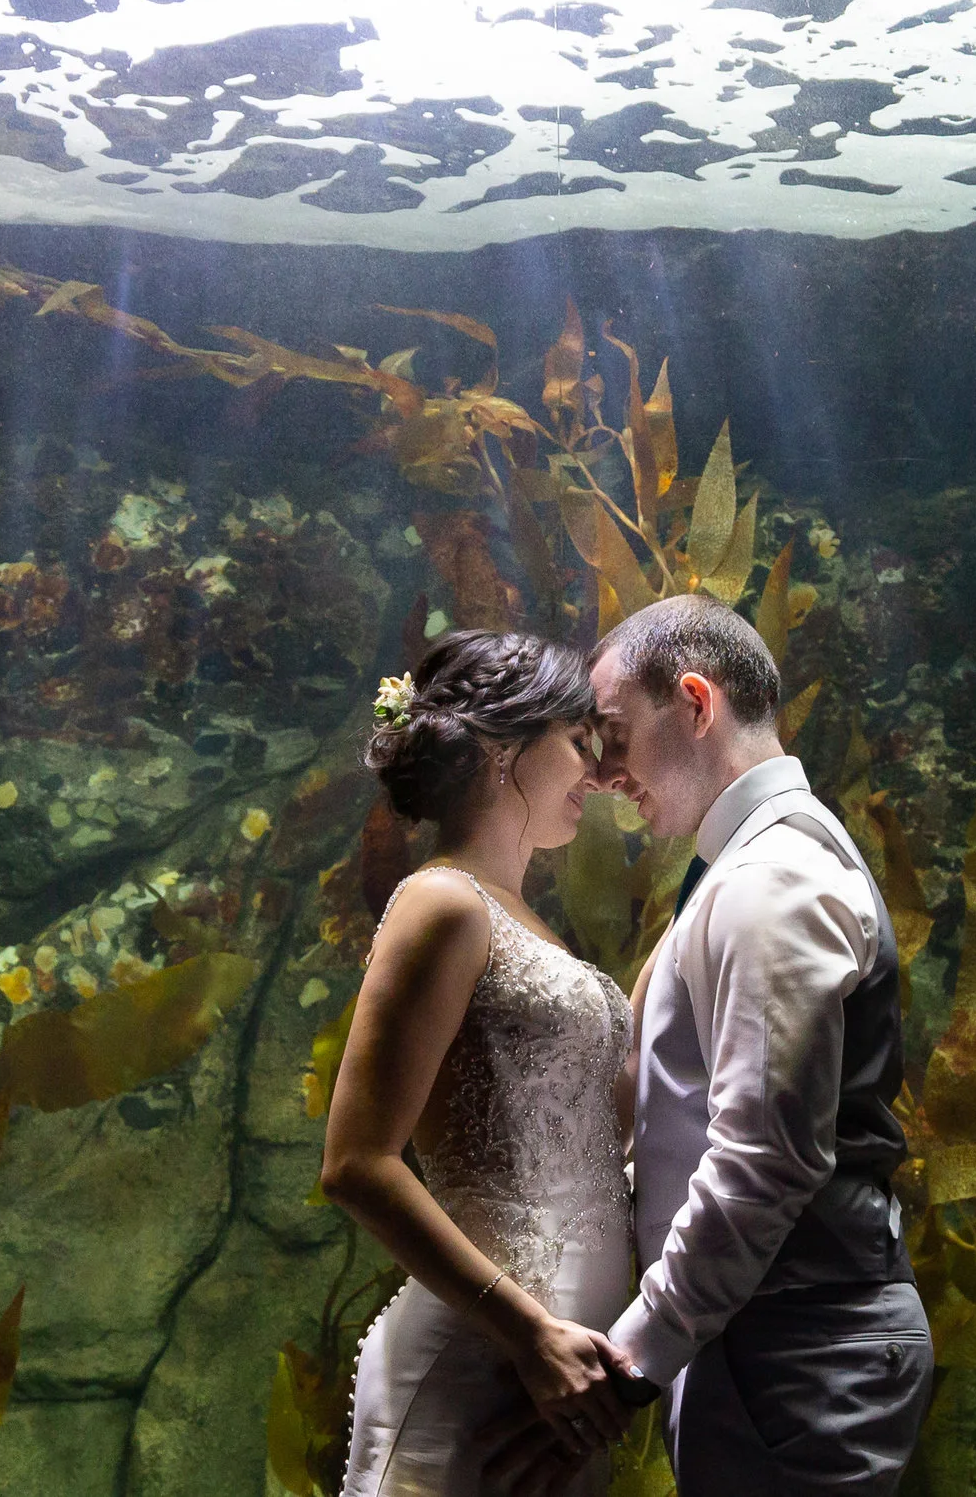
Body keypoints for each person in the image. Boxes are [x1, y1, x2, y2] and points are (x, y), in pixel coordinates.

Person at [506, 594, 932, 1494]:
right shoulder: (749, 867)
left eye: (613, 732)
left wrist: (633, 1360)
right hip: (770, 1342)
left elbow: (766, 1160)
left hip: (794, 1350)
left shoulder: (769, 881)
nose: (605, 770)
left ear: (697, 704)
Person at [324, 628, 642, 1497]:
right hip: (487, 1358)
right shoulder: (441, 901)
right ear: (504, 747)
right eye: (579, 742)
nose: (597, 771)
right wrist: (532, 1333)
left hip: (565, 1384)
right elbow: (355, 1163)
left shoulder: (524, 920)